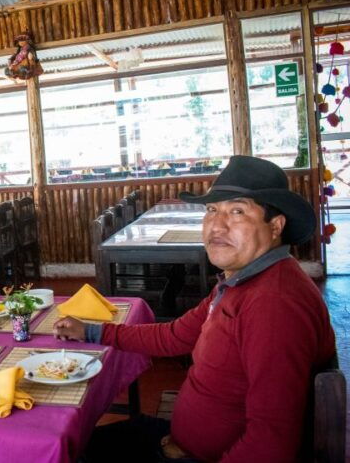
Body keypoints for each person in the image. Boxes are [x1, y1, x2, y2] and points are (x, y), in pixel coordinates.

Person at [54, 155, 335, 463]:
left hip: (197, 456)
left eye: (237, 211)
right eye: (212, 210)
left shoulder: (274, 305)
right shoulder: (241, 281)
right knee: (70, 445)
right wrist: (93, 331)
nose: (217, 225)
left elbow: (269, 444)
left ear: (275, 226)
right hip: (175, 439)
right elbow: (173, 336)